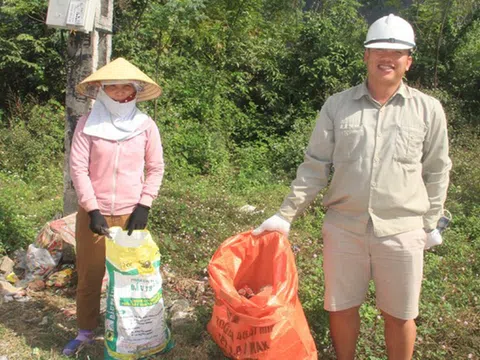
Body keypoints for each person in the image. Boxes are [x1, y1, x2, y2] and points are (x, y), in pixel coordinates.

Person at [253, 14, 451, 360]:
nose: (386, 57)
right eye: (378, 50)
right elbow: (315, 165)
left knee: (400, 314)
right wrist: (285, 215)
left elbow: (437, 169)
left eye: (396, 51)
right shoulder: (337, 106)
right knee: (341, 308)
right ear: (365, 55)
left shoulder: (428, 110)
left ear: (409, 60)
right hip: (344, 227)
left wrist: (429, 223)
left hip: (403, 230)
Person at [63, 58, 165, 356]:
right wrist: (92, 209)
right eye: (113, 87)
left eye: (126, 87)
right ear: (103, 91)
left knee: (131, 276)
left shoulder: (146, 126)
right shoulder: (88, 124)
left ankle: (128, 330)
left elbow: (156, 167)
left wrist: (144, 205)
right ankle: (85, 331)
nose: (120, 92)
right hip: (95, 215)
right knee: (90, 275)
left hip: (131, 214)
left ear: (135, 91)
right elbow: (79, 169)